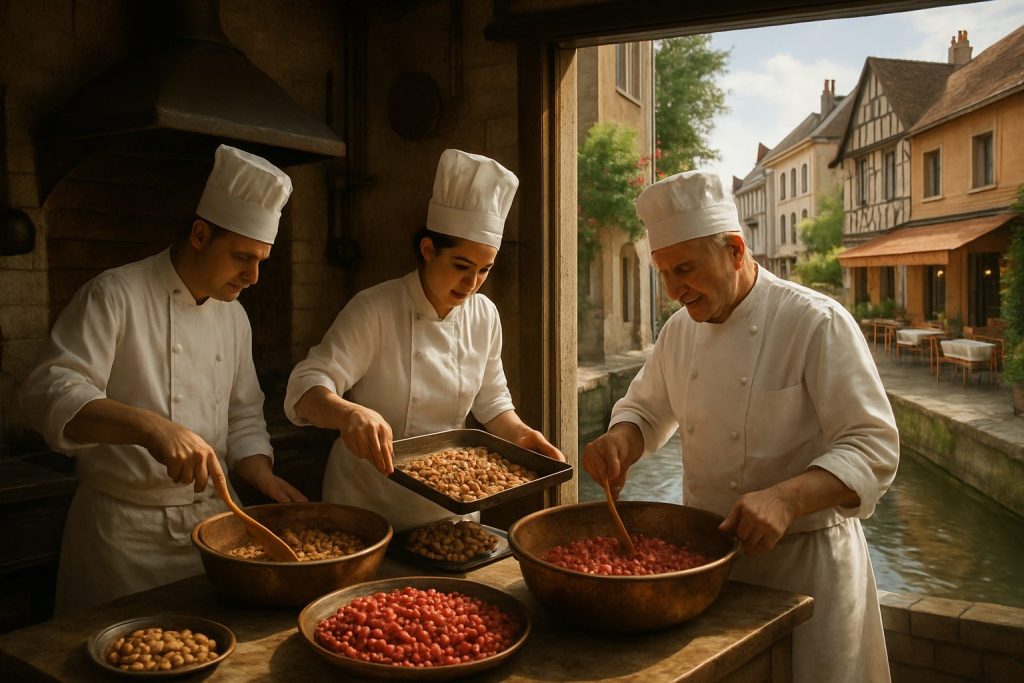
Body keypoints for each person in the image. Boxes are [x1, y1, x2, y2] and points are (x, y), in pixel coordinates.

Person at [582, 170, 899, 682]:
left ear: (734, 249)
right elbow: (645, 408)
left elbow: (873, 447)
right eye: (662, 273)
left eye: (684, 269)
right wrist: (621, 439)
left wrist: (787, 498)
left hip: (806, 572)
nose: (673, 291)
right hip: (708, 571)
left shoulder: (815, 322)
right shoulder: (680, 331)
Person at [21, 144, 308, 614]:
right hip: (123, 537)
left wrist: (259, 471)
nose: (253, 276)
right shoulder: (114, 295)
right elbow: (48, 390)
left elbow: (242, 412)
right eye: (242, 257)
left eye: (262, 260)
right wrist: (151, 427)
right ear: (199, 234)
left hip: (214, 525)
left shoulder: (233, 317)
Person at [285, 148, 564, 531]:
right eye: (461, 266)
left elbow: (492, 401)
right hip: (368, 507)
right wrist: (348, 413)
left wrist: (521, 435)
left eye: (485, 270)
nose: (472, 284)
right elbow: (307, 385)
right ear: (429, 250)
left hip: (449, 511)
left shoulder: (484, 315)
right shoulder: (375, 308)